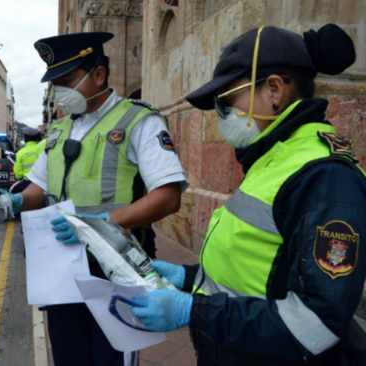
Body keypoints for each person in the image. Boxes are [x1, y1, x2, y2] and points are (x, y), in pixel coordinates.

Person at [129, 24, 366, 366]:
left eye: (226, 101)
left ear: (274, 90)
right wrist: (188, 278)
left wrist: (194, 311)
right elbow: (261, 273)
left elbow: (317, 324)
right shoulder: (274, 158)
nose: (222, 114)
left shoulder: (324, 177)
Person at [2, 32, 188, 366]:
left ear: (99, 75)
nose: (60, 91)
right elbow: (38, 189)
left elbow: (167, 196)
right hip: (63, 268)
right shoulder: (57, 131)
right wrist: (10, 202)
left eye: (68, 80)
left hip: (116, 268)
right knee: (69, 356)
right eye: (56, 83)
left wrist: (99, 225)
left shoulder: (139, 121)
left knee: (112, 358)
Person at [11, 128, 41, 194]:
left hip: (27, 182)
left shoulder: (20, 153)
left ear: (25, 139)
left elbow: (18, 175)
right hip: (42, 183)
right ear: (37, 138)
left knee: (12, 191)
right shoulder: (43, 150)